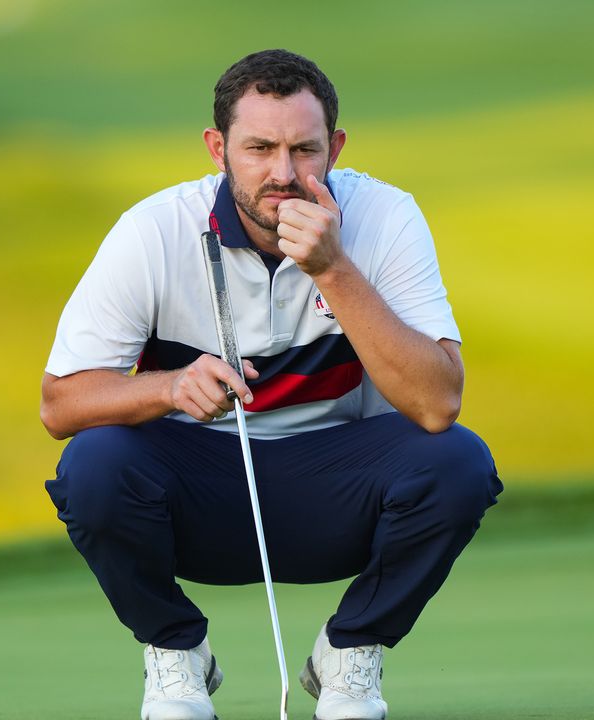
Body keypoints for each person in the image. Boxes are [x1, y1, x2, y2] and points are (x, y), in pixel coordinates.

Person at [40, 48, 502, 720]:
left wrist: (333, 268)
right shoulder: (152, 231)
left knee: (459, 462)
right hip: (201, 489)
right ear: (217, 147)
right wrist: (166, 389)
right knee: (93, 465)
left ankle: (349, 655)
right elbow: (60, 404)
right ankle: (176, 652)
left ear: (335, 148)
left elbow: (438, 404)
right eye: (259, 148)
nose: (283, 174)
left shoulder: (387, 217)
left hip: (338, 483)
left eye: (304, 149)